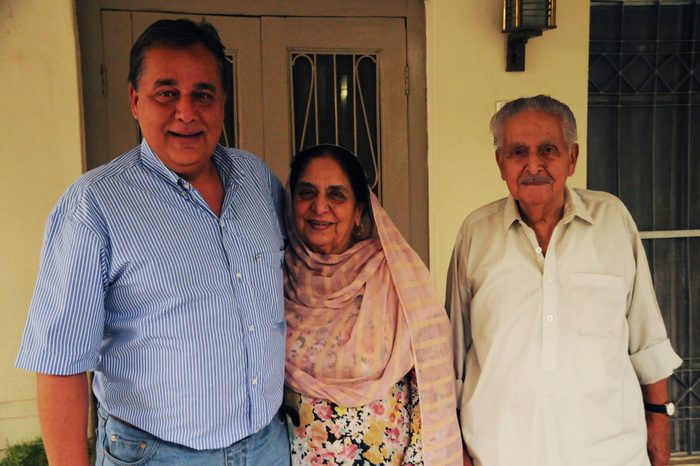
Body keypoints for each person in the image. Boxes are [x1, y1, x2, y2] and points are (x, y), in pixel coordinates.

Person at [16, 19, 289, 466]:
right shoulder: (95, 205)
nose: (186, 112)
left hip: (266, 447)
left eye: (203, 94)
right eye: (166, 93)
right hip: (156, 454)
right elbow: (60, 363)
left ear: (222, 102)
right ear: (134, 101)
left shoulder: (257, 180)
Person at [446, 95, 682, 466]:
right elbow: (452, 359)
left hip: (608, 452)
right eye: (517, 152)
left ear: (572, 158)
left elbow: (646, 339)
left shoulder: (612, 221)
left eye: (548, 150)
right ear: (500, 163)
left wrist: (659, 425)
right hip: (499, 452)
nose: (533, 165)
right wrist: (453, 447)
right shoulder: (476, 233)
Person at [282, 144, 463, 465]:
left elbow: (431, 389)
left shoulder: (395, 277)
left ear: (359, 212)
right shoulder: (274, 278)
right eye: (306, 192)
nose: (319, 206)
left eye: (336, 195)